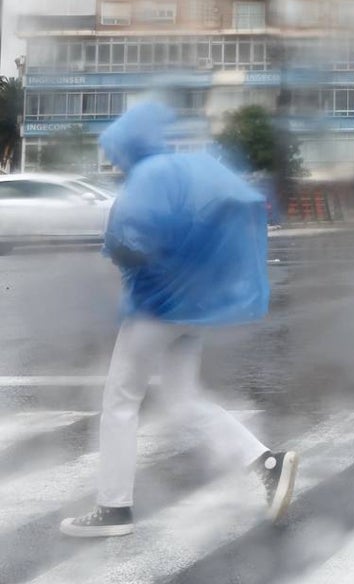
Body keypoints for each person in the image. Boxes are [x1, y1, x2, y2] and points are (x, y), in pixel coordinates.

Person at [60, 102, 298, 538]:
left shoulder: (148, 177)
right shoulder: (190, 167)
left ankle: (113, 509)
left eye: (116, 151)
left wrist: (121, 250)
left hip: (157, 306)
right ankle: (268, 463)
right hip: (195, 305)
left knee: (120, 399)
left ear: (130, 144)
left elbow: (128, 238)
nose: (115, 160)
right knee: (183, 398)